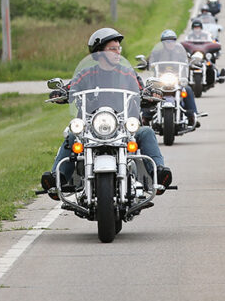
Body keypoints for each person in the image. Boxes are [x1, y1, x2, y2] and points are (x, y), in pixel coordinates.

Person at [41, 28, 173, 200]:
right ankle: (57, 179)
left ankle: (159, 173)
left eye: (119, 48)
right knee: (73, 135)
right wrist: (60, 93)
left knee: (146, 132)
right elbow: (71, 88)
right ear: (99, 53)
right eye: (112, 49)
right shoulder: (86, 74)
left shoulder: (127, 73)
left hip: (123, 127)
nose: (118, 52)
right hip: (91, 127)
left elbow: (141, 89)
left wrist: (151, 94)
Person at [149, 29, 199, 127]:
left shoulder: (180, 52)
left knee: (187, 90)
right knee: (149, 91)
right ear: (163, 43)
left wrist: (191, 63)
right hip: (161, 79)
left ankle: (192, 116)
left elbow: (187, 60)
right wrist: (145, 64)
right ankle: (145, 117)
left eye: (172, 41)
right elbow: (150, 61)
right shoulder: (157, 53)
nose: (170, 43)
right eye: (167, 41)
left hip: (176, 79)